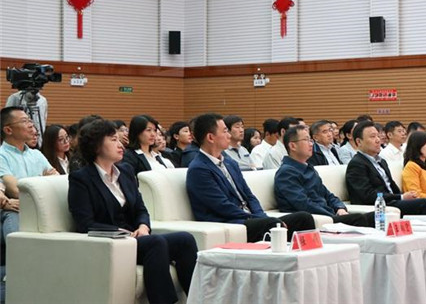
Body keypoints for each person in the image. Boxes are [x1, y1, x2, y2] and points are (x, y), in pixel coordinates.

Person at [68, 119, 197, 304]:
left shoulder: (126, 171)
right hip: (113, 242)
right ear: (96, 146)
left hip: (137, 238)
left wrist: (143, 226)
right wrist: (123, 233)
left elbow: (140, 209)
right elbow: (85, 223)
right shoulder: (81, 179)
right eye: (113, 140)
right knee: (155, 243)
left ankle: (198, 299)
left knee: (185, 240)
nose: (120, 145)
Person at [186, 113, 315, 242]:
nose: (229, 135)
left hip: (249, 218)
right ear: (210, 137)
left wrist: (261, 216)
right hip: (229, 221)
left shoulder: (230, 163)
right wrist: (258, 219)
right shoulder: (199, 169)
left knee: (303, 218)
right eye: (225, 131)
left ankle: (304, 254)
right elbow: (221, 206)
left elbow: (249, 195)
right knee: (271, 225)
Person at [275, 125, 374, 226]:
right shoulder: (286, 173)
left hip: (328, 214)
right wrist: (332, 215)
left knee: (374, 216)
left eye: (311, 140)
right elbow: (303, 204)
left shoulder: (308, 168)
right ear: (292, 146)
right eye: (306, 140)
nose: (311, 144)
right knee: (359, 219)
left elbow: (327, 194)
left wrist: (340, 207)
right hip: (313, 219)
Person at [345, 120, 426, 216]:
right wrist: (401, 197)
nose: (378, 140)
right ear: (359, 141)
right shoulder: (356, 164)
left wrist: (403, 196)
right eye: (372, 137)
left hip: (392, 201)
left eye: (378, 136)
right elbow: (367, 195)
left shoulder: (381, 161)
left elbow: (392, 186)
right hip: (378, 205)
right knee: (424, 203)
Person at [0, 106, 59, 242]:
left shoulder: (36, 154)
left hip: (41, 205)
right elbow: (16, 190)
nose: (31, 125)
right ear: (8, 130)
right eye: (24, 121)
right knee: (13, 214)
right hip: (16, 207)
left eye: (30, 120)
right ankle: (17, 253)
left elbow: (56, 180)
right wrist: (43, 180)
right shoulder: (2, 155)